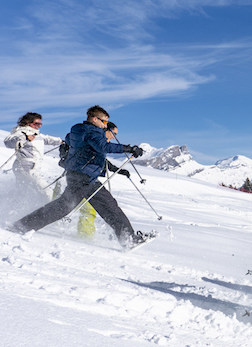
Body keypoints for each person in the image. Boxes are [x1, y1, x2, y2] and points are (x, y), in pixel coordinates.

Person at [10, 105, 149, 247]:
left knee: (110, 207)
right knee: (62, 208)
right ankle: (21, 226)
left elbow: (71, 143)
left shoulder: (77, 130)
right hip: (83, 178)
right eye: (104, 122)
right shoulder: (92, 132)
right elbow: (104, 147)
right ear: (95, 119)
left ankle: (129, 239)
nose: (105, 125)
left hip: (85, 177)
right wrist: (130, 148)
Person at [77, 121, 131, 240]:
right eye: (113, 133)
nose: (114, 137)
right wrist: (128, 148)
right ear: (105, 130)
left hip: (83, 179)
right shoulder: (94, 141)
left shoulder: (97, 143)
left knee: (85, 208)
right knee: (83, 208)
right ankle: (83, 238)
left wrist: (118, 170)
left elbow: (102, 161)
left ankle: (84, 237)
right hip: (81, 179)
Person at [2, 112, 63, 200]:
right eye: (36, 124)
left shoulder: (36, 134)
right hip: (26, 167)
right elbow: (7, 142)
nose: (39, 126)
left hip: (29, 167)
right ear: (28, 122)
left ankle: (8, 206)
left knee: (22, 193)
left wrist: (61, 141)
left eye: (40, 124)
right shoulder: (20, 132)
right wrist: (24, 138)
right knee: (46, 191)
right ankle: (54, 209)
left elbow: (47, 139)